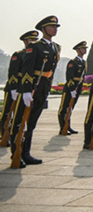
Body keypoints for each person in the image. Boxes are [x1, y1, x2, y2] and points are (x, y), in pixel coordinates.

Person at [10, 16, 61, 168]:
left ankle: (26, 152)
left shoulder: (55, 47)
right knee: (20, 121)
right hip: (31, 88)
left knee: (31, 122)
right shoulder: (35, 47)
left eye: (56, 27)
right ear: (43, 29)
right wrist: (26, 90)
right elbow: (27, 68)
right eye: (52, 26)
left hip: (43, 88)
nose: (55, 29)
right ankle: (16, 153)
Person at [0, 30, 38, 146]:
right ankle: (3, 135)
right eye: (32, 40)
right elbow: (13, 73)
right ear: (25, 41)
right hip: (15, 88)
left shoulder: (35, 54)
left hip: (25, 88)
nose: (34, 42)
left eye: (35, 40)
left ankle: (16, 136)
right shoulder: (19, 54)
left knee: (20, 114)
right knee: (7, 113)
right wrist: (13, 89)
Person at [58, 41, 87, 135]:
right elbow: (69, 77)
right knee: (64, 108)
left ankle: (68, 126)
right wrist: (72, 89)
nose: (85, 50)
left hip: (78, 87)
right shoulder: (73, 62)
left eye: (85, 48)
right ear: (78, 50)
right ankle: (63, 127)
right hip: (71, 88)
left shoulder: (83, 62)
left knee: (71, 108)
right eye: (83, 48)